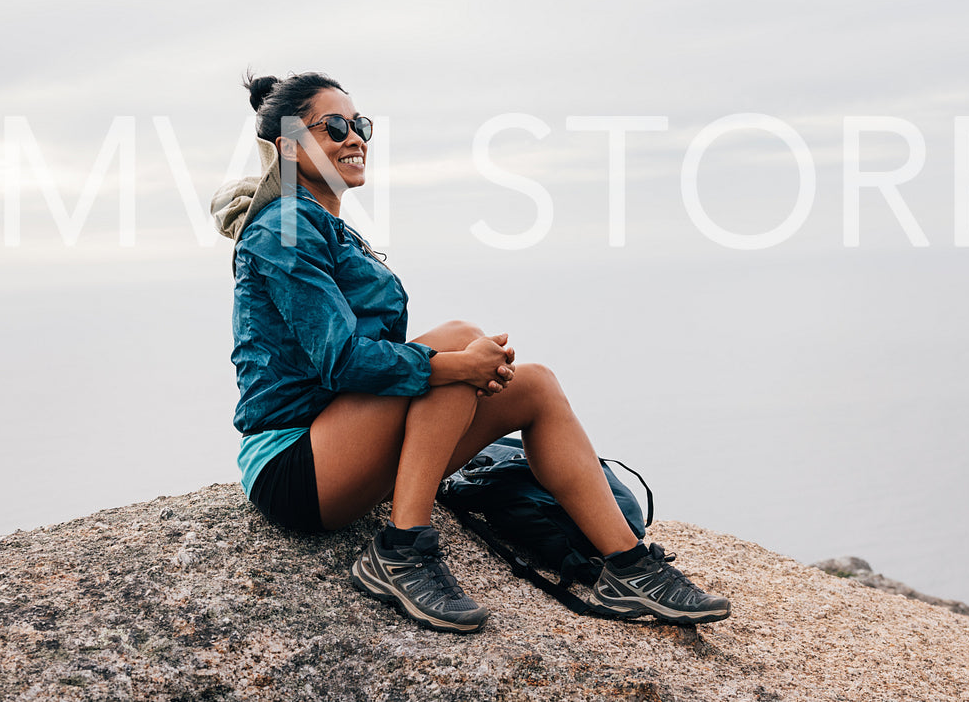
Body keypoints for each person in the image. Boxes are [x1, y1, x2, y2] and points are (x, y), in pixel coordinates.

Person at [212, 70, 730, 633]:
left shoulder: (326, 225)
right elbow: (340, 361)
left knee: (535, 385)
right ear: (289, 147)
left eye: (360, 124)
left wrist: (457, 370)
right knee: (460, 340)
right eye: (334, 127)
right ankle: (403, 550)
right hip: (296, 465)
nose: (355, 138)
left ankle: (629, 567)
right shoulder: (283, 228)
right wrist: (455, 366)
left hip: (348, 444)